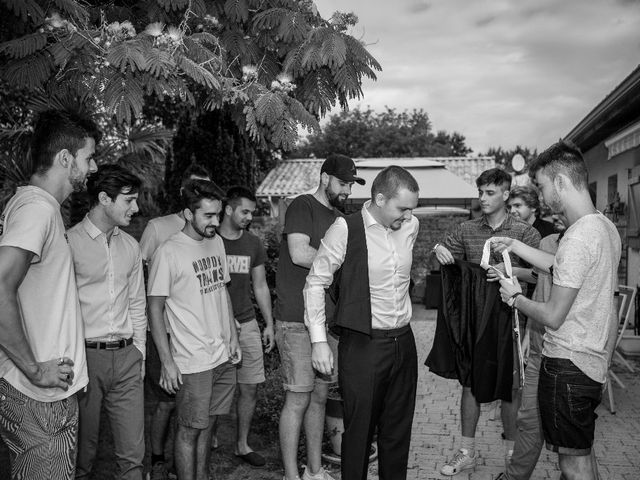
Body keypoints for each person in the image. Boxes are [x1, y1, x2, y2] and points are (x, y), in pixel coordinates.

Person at [493, 140, 621, 480]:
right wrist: (516, 244)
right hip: (590, 361)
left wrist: (515, 298)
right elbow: (562, 266)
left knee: (573, 465)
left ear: (561, 182)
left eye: (542, 186)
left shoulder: (578, 237)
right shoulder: (603, 227)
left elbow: (552, 315)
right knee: (580, 453)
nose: (543, 193)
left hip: (567, 365)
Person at [0, 110, 99, 479]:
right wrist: (34, 369)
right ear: (64, 158)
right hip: (37, 398)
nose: (93, 166)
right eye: (88, 157)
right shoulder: (38, 210)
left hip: (40, 396)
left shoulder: (35, 208)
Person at [305, 165, 420, 480]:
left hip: (404, 344)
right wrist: (318, 342)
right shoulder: (346, 229)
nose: (409, 216)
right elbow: (315, 283)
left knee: (397, 433)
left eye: (412, 209)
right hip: (363, 345)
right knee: (358, 434)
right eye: (403, 208)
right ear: (380, 199)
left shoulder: (411, 226)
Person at [432, 168, 541, 476]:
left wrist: (509, 272)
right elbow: (442, 252)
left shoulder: (525, 233)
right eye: (480, 192)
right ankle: (467, 451)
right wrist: (437, 249)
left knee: (509, 387)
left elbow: (541, 272)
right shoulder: (466, 229)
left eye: (490, 192)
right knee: (470, 382)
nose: (482, 198)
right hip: (475, 318)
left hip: (513, 319)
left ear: (506, 194)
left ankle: (511, 455)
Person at [275, 153, 364, 480]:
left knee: (319, 398)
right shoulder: (302, 206)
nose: (347, 191)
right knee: (297, 400)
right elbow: (299, 253)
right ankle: (291, 475)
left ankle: (313, 470)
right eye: (343, 183)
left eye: (351, 185)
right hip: (297, 319)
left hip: (326, 323)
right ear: (325, 177)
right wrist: (343, 267)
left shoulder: (339, 217)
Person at [147, 179, 241, 480]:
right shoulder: (169, 252)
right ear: (189, 214)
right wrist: (167, 361)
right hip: (192, 359)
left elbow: (222, 291)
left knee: (209, 425)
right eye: (208, 216)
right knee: (189, 430)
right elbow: (155, 308)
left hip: (222, 355)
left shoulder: (215, 241)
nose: (216, 222)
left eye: (218, 214)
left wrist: (233, 336)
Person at [67, 164, 146, 479]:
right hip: (85, 359)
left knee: (133, 457)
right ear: (104, 198)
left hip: (127, 357)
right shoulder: (68, 243)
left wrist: (140, 350)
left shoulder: (131, 246)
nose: (136, 208)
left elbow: (137, 302)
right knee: (81, 453)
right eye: (129, 200)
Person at [139, 164, 211, 480]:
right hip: (165, 332)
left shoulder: (210, 230)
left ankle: (187, 465)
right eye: (197, 187)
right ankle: (157, 458)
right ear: (183, 193)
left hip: (197, 338)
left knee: (194, 412)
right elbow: (140, 275)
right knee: (167, 402)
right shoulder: (158, 228)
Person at [216, 186, 275, 466]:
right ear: (228, 209)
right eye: (245, 211)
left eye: (252, 212)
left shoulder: (252, 243)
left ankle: (242, 444)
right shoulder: (209, 240)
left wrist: (269, 325)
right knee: (214, 387)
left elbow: (260, 286)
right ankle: (209, 437)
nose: (249, 217)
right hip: (214, 327)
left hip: (247, 322)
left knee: (250, 387)